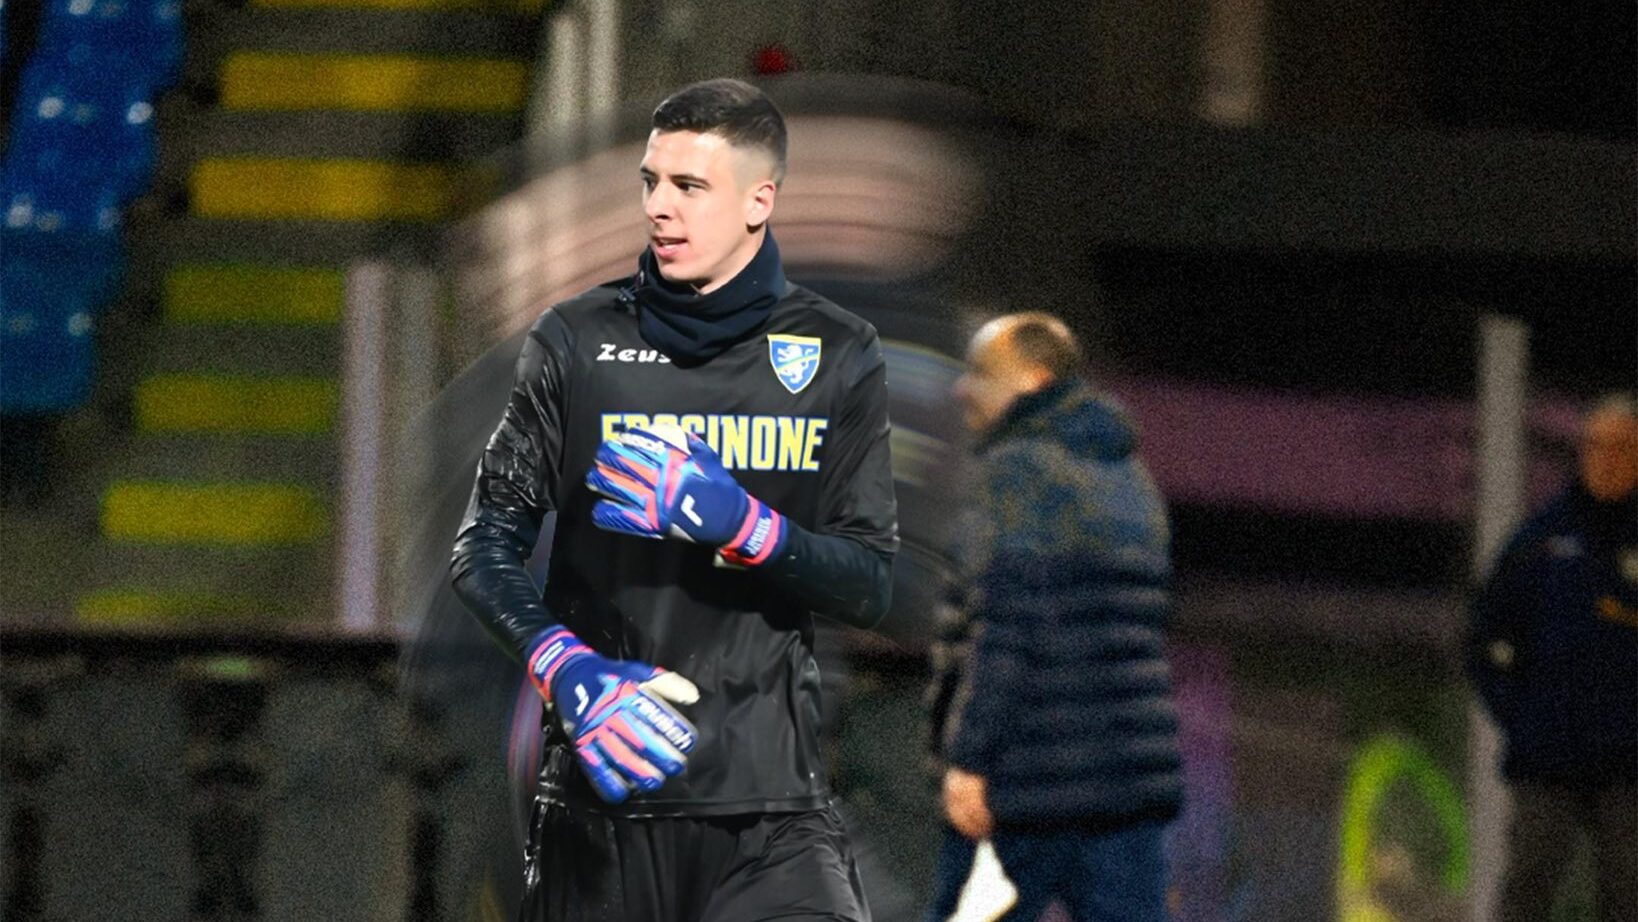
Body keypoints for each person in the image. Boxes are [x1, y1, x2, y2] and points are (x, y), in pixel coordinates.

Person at [449, 78, 898, 922]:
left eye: (690, 186)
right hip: (602, 808)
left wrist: (746, 527)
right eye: (651, 182)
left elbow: (869, 583)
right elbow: (482, 546)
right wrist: (565, 667)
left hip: (771, 808)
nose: (660, 207)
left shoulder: (836, 351)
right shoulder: (576, 341)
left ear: (760, 200)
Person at [924, 312, 1184, 922]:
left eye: (983, 374)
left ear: (1035, 379)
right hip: (1126, 784)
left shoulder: (1015, 471)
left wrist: (969, 760)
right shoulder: (1130, 477)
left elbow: (1009, 628)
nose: (964, 388)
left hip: (1023, 787)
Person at [1468, 391, 1638, 922]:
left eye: (1622, 448)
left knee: (1628, 893)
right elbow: (1484, 638)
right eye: (1596, 446)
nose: (1607, 459)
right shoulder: (1541, 538)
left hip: (1630, 766)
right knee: (1527, 889)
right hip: (1548, 760)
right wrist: (1522, 718)